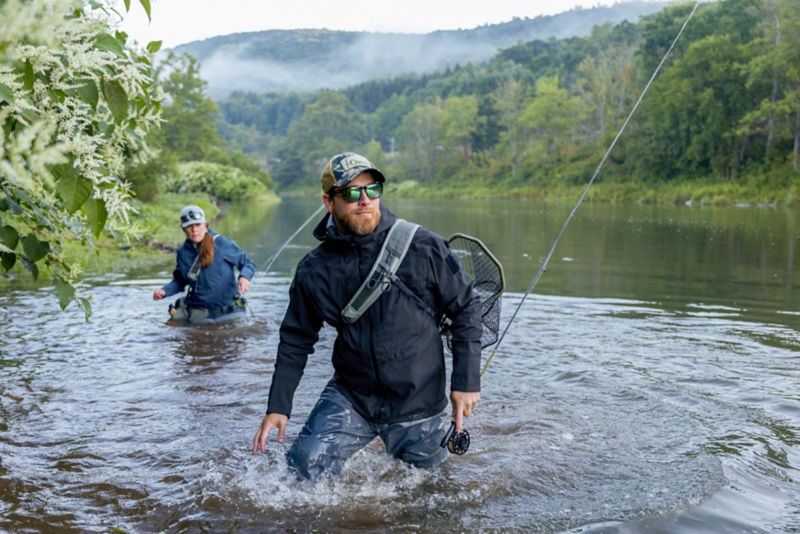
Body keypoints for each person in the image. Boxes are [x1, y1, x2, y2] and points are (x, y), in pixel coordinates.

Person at [252, 152, 482, 480]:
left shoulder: (425, 246)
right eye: (350, 192)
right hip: (352, 396)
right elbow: (295, 340)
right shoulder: (313, 270)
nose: (364, 200)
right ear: (329, 202)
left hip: (418, 400)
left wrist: (466, 382)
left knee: (430, 492)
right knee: (303, 468)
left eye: (372, 190)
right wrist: (278, 406)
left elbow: (467, 308)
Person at [153, 205, 255, 323]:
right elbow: (180, 281)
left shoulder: (222, 243)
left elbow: (247, 263)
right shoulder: (182, 253)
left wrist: (244, 277)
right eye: (189, 227)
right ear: (183, 228)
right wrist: (164, 291)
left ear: (205, 224)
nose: (194, 230)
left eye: (198, 225)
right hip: (199, 316)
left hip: (230, 313)